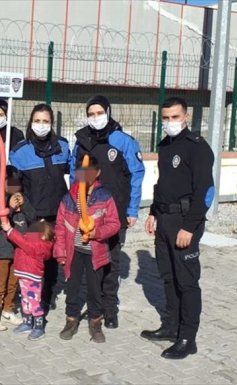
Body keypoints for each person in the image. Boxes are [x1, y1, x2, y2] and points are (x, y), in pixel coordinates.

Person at [141, 96, 214, 359]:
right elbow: (162, 184)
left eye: (175, 117)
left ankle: (187, 337)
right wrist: (152, 212)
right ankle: (171, 327)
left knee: (187, 281)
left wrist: (190, 227)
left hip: (185, 223)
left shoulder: (198, 147)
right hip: (164, 220)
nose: (170, 122)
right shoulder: (165, 145)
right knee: (168, 277)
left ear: (185, 117)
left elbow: (205, 191)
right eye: (166, 118)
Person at [70, 95, 145, 329]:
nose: (95, 118)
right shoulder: (82, 141)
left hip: (115, 214)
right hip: (88, 213)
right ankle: (94, 307)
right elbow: (76, 176)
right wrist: (77, 206)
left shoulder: (122, 141)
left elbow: (135, 175)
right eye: (91, 114)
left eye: (99, 113)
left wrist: (132, 210)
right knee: (91, 261)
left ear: (108, 112)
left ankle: (109, 309)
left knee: (112, 262)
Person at [9, 103, 71, 311]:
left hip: (58, 212)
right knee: (34, 257)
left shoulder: (63, 146)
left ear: (52, 124)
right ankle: (31, 295)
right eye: (37, 121)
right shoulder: (20, 151)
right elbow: (13, 183)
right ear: (30, 122)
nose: (41, 125)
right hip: (33, 214)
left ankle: (48, 296)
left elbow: (73, 174)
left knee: (53, 257)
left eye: (46, 121)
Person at [54, 156, 120, 343]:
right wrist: (60, 251)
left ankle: (95, 321)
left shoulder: (105, 196)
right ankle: (71, 319)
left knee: (94, 289)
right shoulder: (68, 198)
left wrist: (97, 232)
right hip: (73, 251)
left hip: (95, 252)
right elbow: (60, 225)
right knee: (72, 287)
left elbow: (114, 224)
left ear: (97, 173)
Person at [0, 178, 36, 331]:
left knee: (13, 283)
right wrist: (10, 208)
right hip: (2, 249)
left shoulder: (23, 199)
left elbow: (32, 217)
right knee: (0, 282)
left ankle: (8, 309)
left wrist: (23, 204)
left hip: (19, 248)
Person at [2, 221, 54, 341]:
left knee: (34, 302)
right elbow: (18, 240)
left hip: (33, 277)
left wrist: (10, 230)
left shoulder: (41, 245)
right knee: (25, 300)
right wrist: (8, 231)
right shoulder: (28, 240)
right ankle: (27, 323)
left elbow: (24, 243)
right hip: (22, 274)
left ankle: (39, 327)